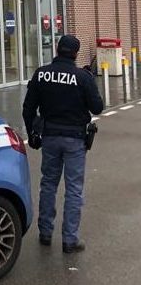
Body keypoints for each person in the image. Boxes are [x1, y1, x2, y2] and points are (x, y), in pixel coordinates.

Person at [22, 34, 104, 253]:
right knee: (74, 189)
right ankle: (70, 239)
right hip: (75, 139)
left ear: (57, 49)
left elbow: (28, 108)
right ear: (76, 54)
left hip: (49, 137)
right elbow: (97, 108)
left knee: (48, 184)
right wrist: (90, 81)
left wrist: (31, 133)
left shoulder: (42, 74)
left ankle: (45, 233)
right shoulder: (82, 77)